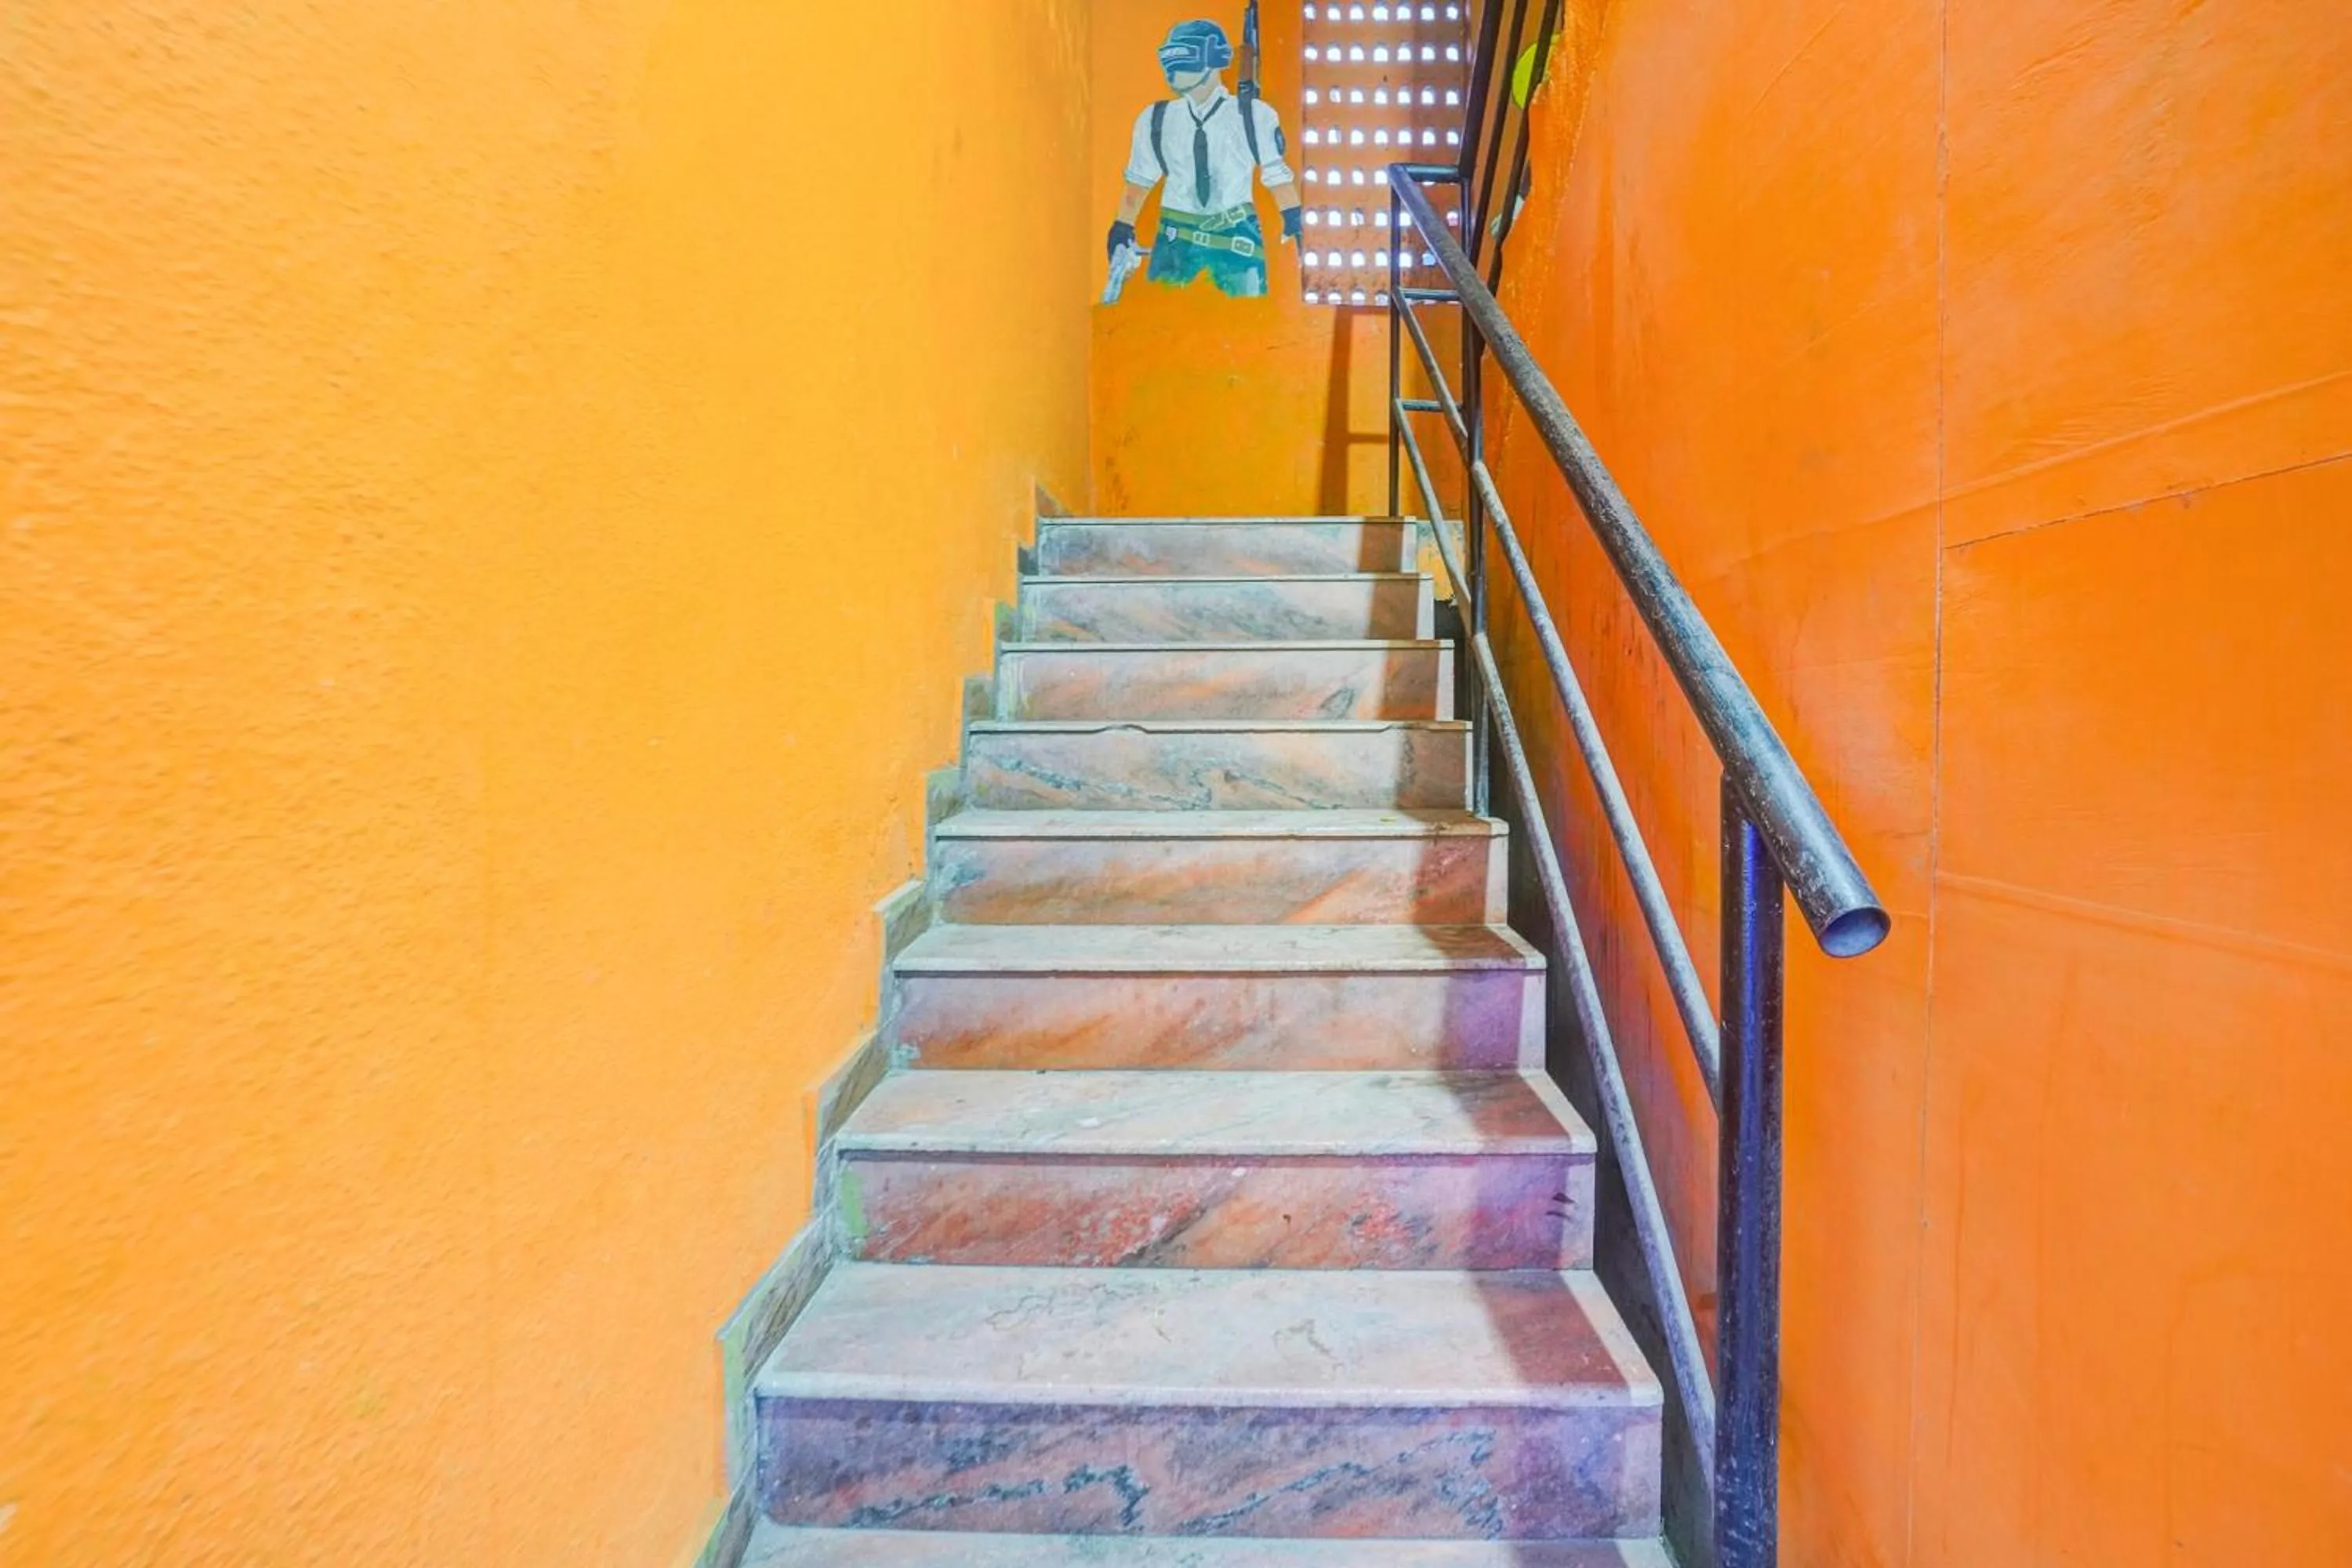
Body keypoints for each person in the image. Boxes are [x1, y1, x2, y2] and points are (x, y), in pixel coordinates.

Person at [1108, 19, 1304, 299]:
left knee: (1243, 326)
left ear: (1212, 58)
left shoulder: (1255, 115)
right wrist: (1122, 227)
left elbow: (1277, 177)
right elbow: (1138, 183)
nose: (1173, 67)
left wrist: (1295, 221)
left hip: (1237, 246)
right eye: (1169, 56)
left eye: (1184, 55)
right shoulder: (1155, 119)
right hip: (1174, 243)